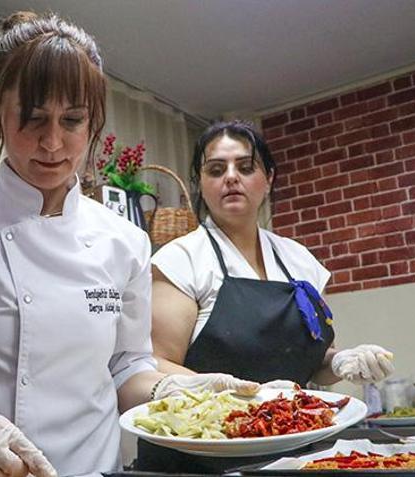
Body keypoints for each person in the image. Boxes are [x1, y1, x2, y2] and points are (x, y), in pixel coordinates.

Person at [0, 13, 259, 477]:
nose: (52, 142)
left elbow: (126, 367)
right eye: (32, 118)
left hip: (89, 468)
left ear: (93, 122)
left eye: (72, 120)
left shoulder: (124, 242)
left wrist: (167, 392)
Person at [135, 120, 395, 473]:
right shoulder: (181, 260)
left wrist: (339, 361)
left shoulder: (299, 260)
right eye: (216, 169)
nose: (231, 177)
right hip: (202, 456)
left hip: (296, 450)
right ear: (200, 182)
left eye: (245, 167)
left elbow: (312, 360)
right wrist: (224, 395)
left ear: (268, 178)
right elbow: (155, 362)